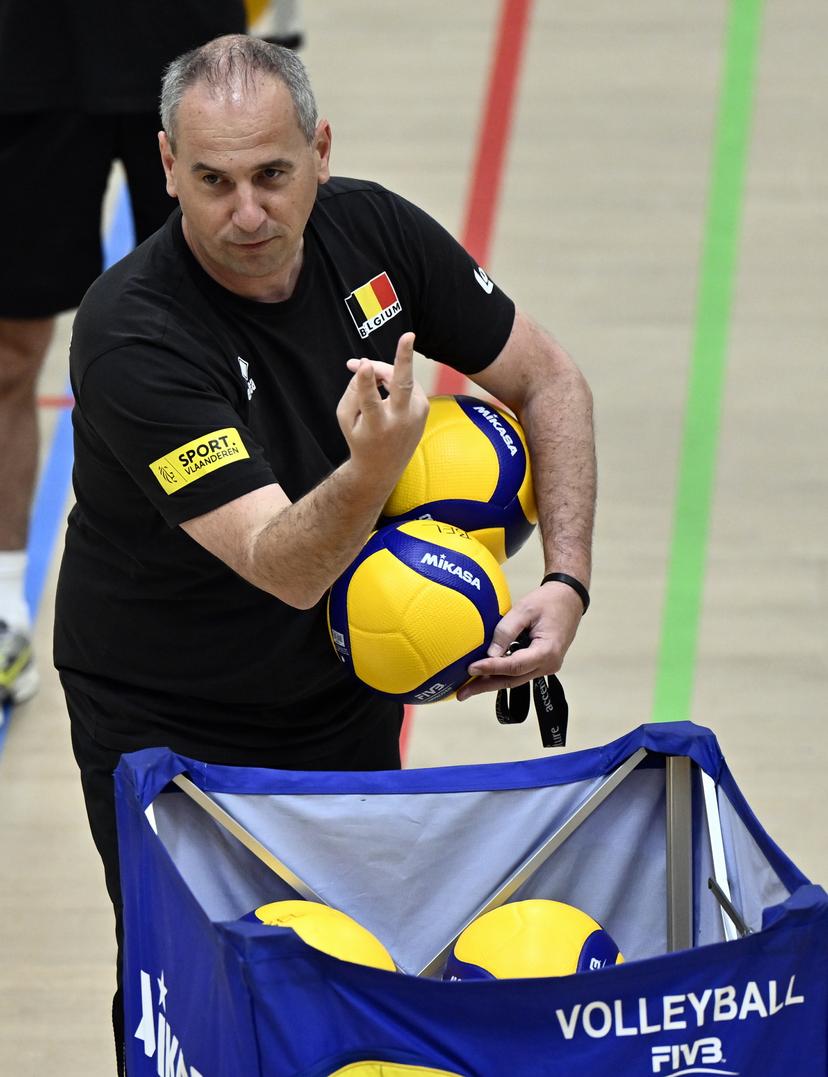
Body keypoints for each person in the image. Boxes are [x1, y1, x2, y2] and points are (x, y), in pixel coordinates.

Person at [53, 34, 596, 1073]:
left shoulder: (373, 233)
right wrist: (372, 464)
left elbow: (551, 380)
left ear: (321, 151)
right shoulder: (135, 331)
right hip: (165, 716)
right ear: (166, 165)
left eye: (271, 174)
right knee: (198, 983)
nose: (246, 213)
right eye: (211, 181)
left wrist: (565, 578)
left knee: (350, 964)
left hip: (339, 689)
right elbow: (284, 563)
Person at [0, 0, 248, 705]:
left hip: (185, 42)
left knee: (220, 329)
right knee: (10, 351)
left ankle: (236, 578)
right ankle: (3, 609)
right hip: (31, 55)